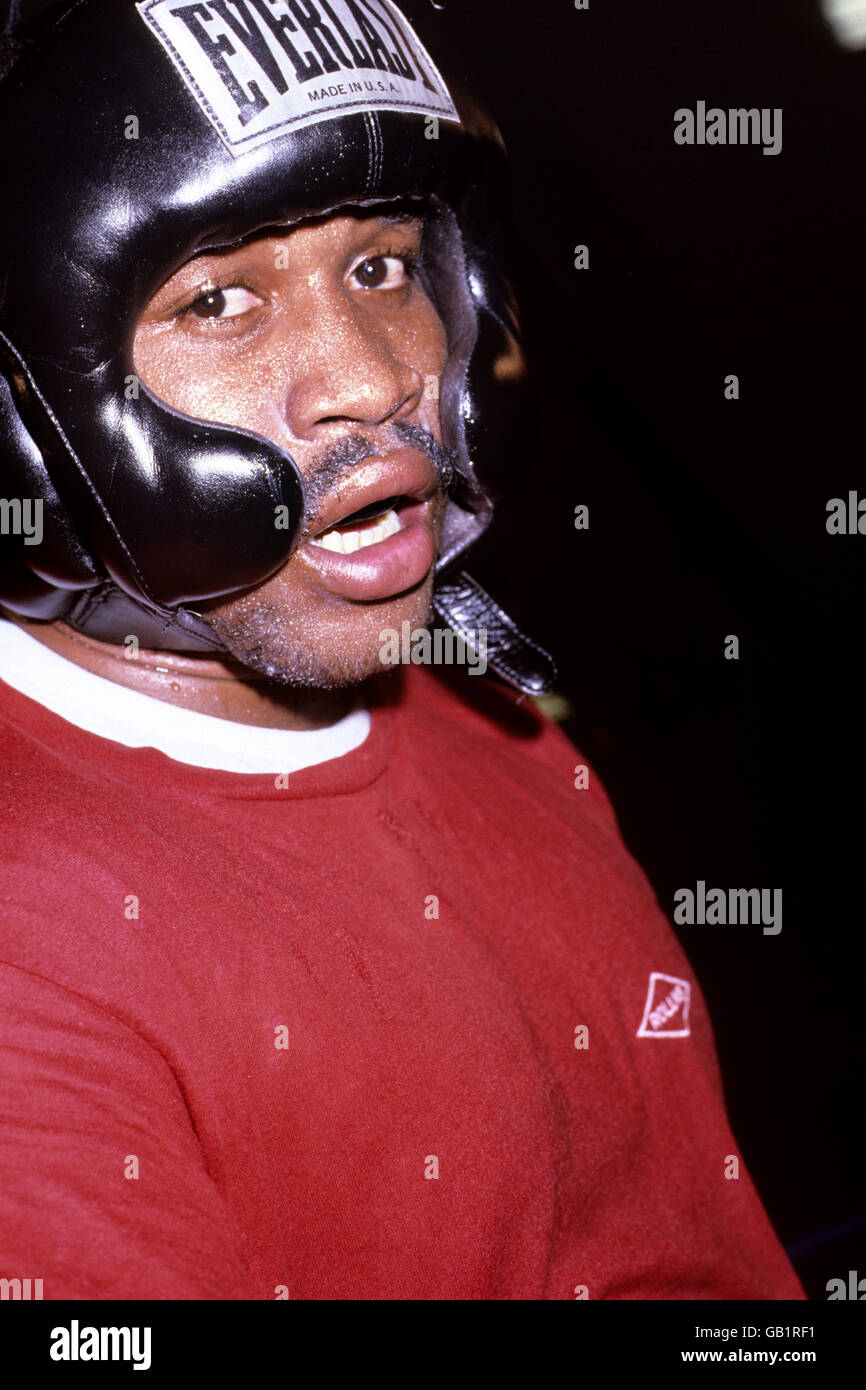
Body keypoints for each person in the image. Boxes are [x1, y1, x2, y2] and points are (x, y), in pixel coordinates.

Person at [0, 0, 805, 1299]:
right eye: (219, 300)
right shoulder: (27, 939)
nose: (374, 375)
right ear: (25, 425)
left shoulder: (498, 727)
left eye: (381, 265)